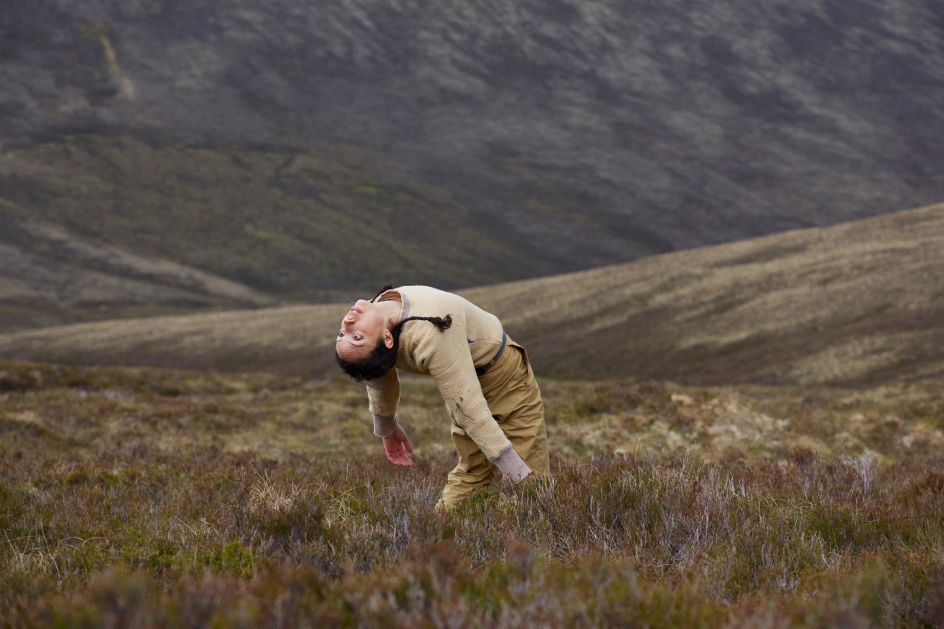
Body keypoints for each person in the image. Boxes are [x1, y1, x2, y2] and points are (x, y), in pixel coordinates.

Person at [334, 284, 550, 510]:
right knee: (519, 478)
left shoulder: (378, 310)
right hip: (488, 380)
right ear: (388, 339)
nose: (347, 324)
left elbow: (376, 368)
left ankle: (443, 529)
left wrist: (517, 473)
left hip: (494, 372)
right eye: (355, 336)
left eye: (343, 334)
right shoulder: (429, 332)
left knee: (490, 472)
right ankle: (447, 531)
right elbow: (379, 375)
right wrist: (387, 429)